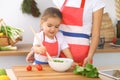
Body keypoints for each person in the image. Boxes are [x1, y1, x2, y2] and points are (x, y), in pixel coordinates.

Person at [52, 0, 105, 66]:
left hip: (83, 59)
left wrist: (90, 56)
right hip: (60, 55)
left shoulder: (96, 2)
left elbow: (96, 33)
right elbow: (52, 23)